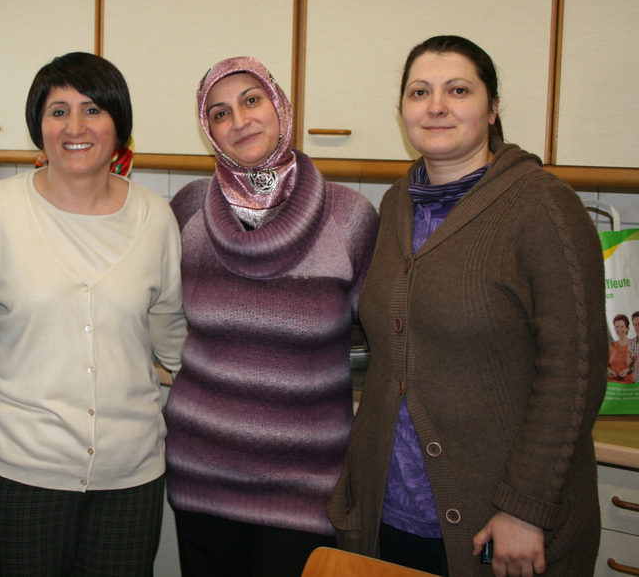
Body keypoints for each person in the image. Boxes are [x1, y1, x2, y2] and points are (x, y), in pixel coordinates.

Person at [329, 35, 606, 577]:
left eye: (458, 90)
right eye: (419, 92)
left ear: (492, 107)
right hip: (389, 513)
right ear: (402, 110)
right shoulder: (397, 202)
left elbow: (575, 372)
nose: (436, 106)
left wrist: (525, 508)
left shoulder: (544, 207)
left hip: (497, 523)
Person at [0, 52, 187, 577]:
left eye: (92, 109)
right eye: (58, 111)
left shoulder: (155, 217)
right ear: (38, 126)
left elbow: (171, 334)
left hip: (130, 476)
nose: (75, 127)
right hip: (17, 469)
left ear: (118, 125)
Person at [162, 56, 379, 577]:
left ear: (280, 105)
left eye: (251, 100)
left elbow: (384, 341)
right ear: (208, 129)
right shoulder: (188, 211)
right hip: (201, 474)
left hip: (306, 486)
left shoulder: (349, 218)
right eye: (220, 113)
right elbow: (159, 314)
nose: (239, 121)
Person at [609, 314, 632, 383]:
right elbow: (604, 365)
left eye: (622, 326)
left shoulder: (634, 344)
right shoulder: (611, 346)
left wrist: (628, 370)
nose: (619, 329)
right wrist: (609, 371)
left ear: (627, 328)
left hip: (629, 385)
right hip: (613, 385)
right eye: (617, 327)